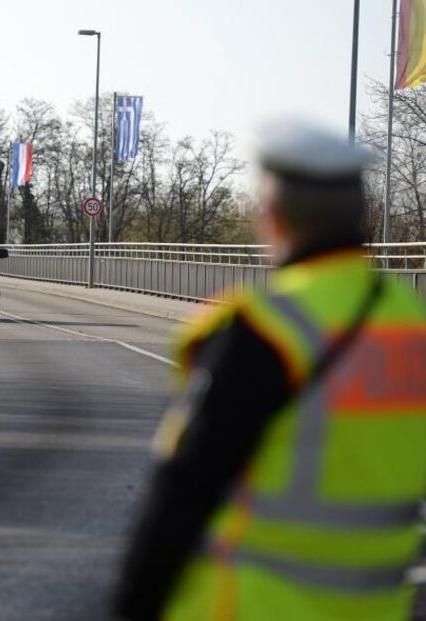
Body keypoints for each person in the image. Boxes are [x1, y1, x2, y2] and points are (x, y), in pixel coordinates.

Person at [112, 120, 426, 621]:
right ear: (361, 215)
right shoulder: (413, 322)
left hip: (252, 606)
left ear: (273, 216)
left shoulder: (267, 327)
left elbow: (186, 488)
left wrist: (133, 604)